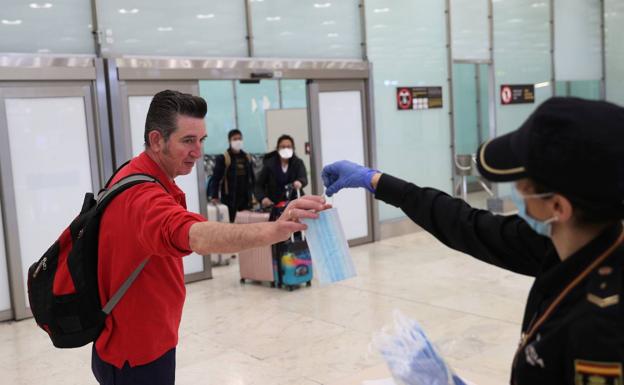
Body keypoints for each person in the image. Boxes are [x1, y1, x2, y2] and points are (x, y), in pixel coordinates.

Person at [322, 97, 624, 385]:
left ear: (558, 207)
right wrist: (377, 181)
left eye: (523, 184)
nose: (515, 192)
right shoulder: (565, 245)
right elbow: (467, 225)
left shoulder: (603, 329)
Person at [93, 90, 329, 385]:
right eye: (188, 141)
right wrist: (275, 228)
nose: (198, 151)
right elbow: (198, 236)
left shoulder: (138, 173)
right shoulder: (143, 197)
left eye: (201, 140)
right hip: (137, 352)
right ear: (156, 140)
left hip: (144, 339)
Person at [207, 129, 255, 222]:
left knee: (245, 224)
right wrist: (214, 196)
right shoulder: (224, 158)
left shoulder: (247, 157)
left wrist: (254, 195)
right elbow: (216, 179)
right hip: (230, 198)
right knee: (231, 223)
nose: (238, 141)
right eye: (235, 139)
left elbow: (252, 178)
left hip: (245, 198)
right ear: (230, 141)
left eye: (239, 139)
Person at [256, 134, 308, 208]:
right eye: (283, 147)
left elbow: (303, 178)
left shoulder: (298, 163)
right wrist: (263, 198)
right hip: (274, 204)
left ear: (293, 148)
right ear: (277, 148)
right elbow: (258, 185)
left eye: (288, 147)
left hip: (294, 203)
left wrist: (300, 182)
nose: (286, 149)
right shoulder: (269, 164)